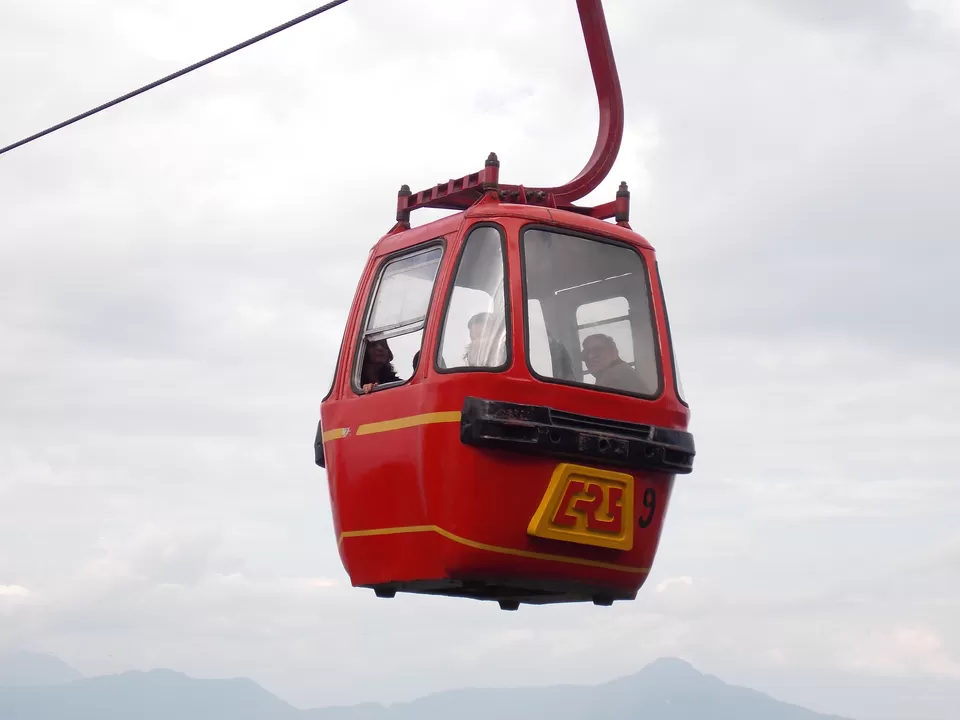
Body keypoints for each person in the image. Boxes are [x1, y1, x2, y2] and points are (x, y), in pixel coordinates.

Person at [580, 333, 650, 394]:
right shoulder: (618, 371)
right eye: (586, 353)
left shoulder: (614, 377)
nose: (590, 356)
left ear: (614, 352)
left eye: (598, 350)